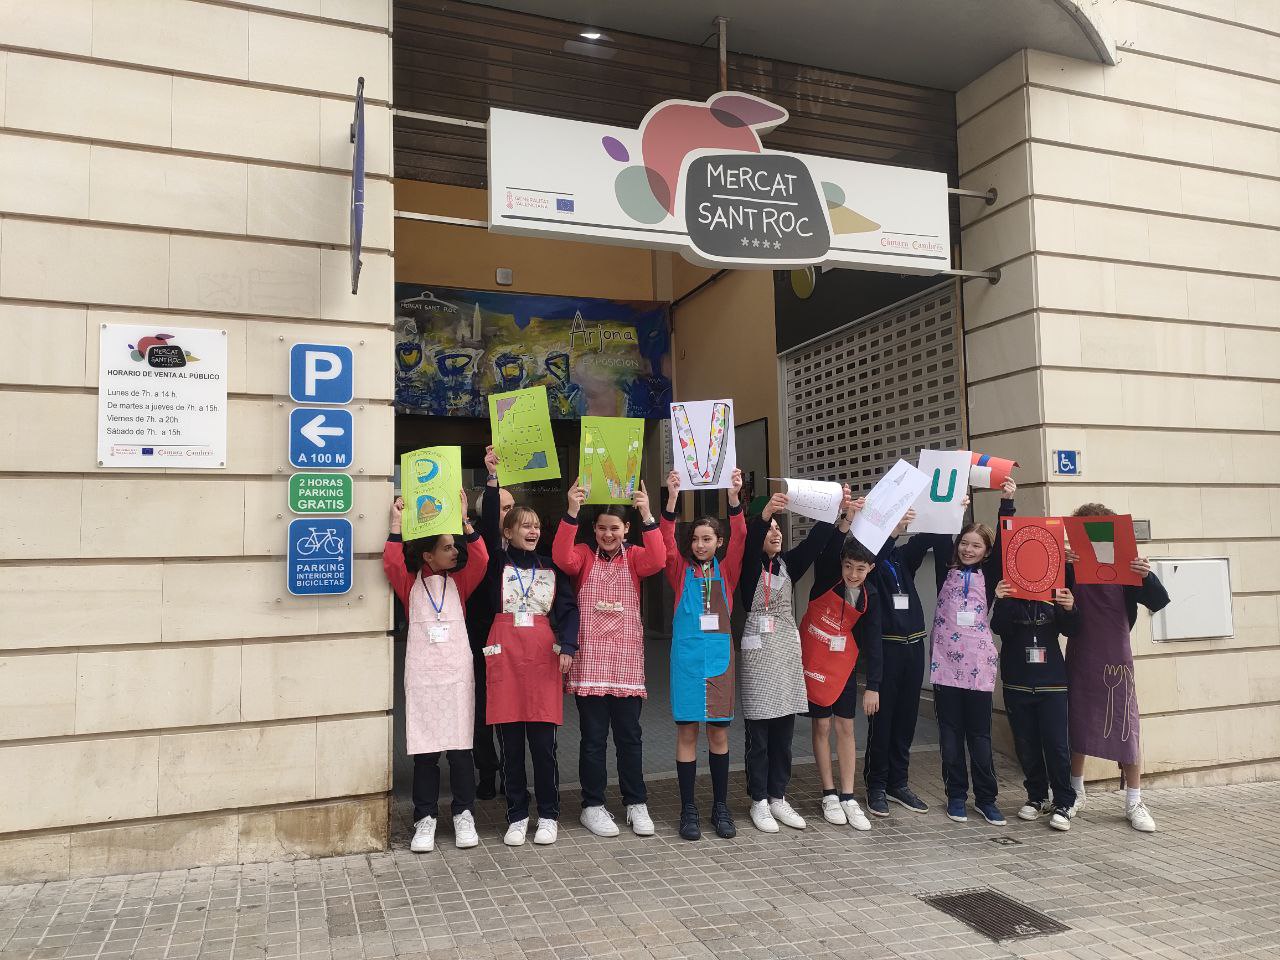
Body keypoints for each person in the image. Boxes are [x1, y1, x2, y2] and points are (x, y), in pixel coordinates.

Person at [552, 478, 666, 838]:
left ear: (626, 529)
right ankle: (593, 805)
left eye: (614, 528)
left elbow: (659, 559)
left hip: (627, 662)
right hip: (591, 662)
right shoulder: (584, 555)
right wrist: (572, 510)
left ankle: (636, 803)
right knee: (593, 738)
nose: (607, 534)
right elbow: (561, 557)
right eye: (601, 527)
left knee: (631, 737)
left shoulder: (634, 557)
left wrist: (647, 512)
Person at [479, 446, 580, 847]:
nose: (533, 529)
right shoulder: (496, 566)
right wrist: (492, 479)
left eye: (537, 524)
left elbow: (569, 610)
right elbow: (486, 528)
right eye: (524, 524)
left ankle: (549, 815)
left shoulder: (551, 567)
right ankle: (517, 815)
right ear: (508, 531)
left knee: (543, 745)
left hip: (542, 658)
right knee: (512, 745)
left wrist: (568, 646)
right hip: (504, 653)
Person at [382, 489, 488, 853]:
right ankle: (424, 819)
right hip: (424, 678)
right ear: (427, 554)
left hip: (457, 676)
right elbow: (392, 562)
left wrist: (464, 519)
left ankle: (463, 814)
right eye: (447, 547)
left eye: (454, 546)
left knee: (460, 750)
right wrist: (396, 524)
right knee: (425, 752)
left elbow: (482, 558)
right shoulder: (409, 582)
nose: (455, 551)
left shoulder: (460, 583)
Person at [737, 490, 842, 833]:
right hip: (758, 655)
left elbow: (814, 543)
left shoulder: (787, 565)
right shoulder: (749, 566)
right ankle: (759, 801)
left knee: (783, 732)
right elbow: (752, 540)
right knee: (761, 735)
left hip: (784, 651)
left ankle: (778, 796)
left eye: (779, 529)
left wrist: (835, 508)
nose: (776, 533)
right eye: (771, 530)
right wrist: (764, 515)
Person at [1064, 504, 1170, 832]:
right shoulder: (1070, 566)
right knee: (1077, 718)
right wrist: (1060, 567)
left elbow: (1159, 599)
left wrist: (1145, 574)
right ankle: (1075, 792)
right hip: (1082, 650)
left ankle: (1134, 801)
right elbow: (1063, 621)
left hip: (1116, 654)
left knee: (1126, 723)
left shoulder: (1126, 564)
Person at [661, 467, 747, 841]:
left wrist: (733, 497)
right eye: (695, 539)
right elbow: (663, 543)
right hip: (686, 662)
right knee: (686, 733)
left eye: (707, 538)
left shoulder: (727, 571)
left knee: (718, 736)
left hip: (719, 662)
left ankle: (720, 807)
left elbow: (742, 534)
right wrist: (672, 499)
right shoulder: (679, 571)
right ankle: (688, 810)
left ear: (719, 542)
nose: (699, 545)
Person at [802, 495, 882, 831]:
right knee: (820, 726)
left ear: (870, 569)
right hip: (814, 662)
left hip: (843, 668)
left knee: (845, 727)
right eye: (848, 566)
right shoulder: (826, 580)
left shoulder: (870, 596)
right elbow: (833, 543)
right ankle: (829, 793)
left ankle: (849, 796)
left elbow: (874, 642)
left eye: (860, 568)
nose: (852, 573)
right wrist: (847, 517)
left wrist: (873, 686)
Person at [928, 494, 1008, 827]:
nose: (968, 549)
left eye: (976, 546)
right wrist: (954, 510)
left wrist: (1007, 502)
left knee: (979, 737)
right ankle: (956, 797)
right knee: (949, 736)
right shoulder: (945, 570)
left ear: (987, 552)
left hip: (977, 669)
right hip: (945, 667)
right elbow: (941, 536)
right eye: (964, 543)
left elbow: (1005, 542)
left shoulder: (989, 577)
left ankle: (987, 799)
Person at [864, 507, 943, 817]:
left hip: (913, 648)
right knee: (882, 723)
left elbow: (923, 541)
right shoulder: (868, 558)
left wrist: (947, 510)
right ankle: (876, 786)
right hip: (887, 649)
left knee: (906, 720)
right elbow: (875, 556)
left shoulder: (900, 557)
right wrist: (893, 529)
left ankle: (899, 782)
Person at [992, 567, 1079, 833]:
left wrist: (1069, 607)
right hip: (1017, 679)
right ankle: (1037, 796)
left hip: (1051, 680)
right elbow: (1000, 628)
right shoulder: (1009, 590)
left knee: (1056, 744)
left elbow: (1072, 629)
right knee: (1026, 743)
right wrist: (1001, 599)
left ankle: (1064, 801)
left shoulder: (1054, 589)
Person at [465, 485, 514, 800]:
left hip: (514, 641)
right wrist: (493, 479)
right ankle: (486, 771)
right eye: (505, 508)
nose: (512, 513)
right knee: (482, 710)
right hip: (480, 638)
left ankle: (512, 773)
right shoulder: (477, 543)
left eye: (514, 507)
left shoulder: (524, 545)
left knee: (510, 710)